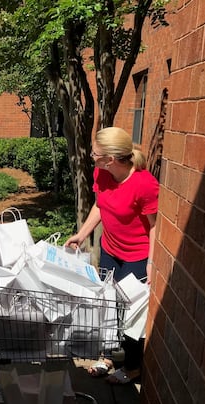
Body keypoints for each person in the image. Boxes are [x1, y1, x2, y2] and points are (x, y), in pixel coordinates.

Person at [64, 126, 159, 384]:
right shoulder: (102, 173)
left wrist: (151, 262)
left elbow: (154, 225)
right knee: (108, 305)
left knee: (130, 315)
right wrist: (82, 234)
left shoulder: (144, 185)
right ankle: (108, 357)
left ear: (111, 159)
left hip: (136, 258)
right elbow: (99, 204)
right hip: (110, 250)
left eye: (95, 153)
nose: (91, 157)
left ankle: (131, 367)